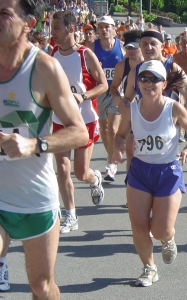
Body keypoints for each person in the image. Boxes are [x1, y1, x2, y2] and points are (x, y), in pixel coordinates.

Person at [0, 0, 88, 296]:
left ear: (29, 24)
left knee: (42, 286)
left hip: (33, 198)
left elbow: (78, 133)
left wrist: (33, 144)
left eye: (4, 13)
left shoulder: (43, 68)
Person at [113, 60, 187, 286]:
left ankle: (168, 238)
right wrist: (117, 149)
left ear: (164, 84)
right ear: (137, 82)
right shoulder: (131, 109)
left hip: (168, 171)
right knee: (139, 226)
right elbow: (121, 134)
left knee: (160, 230)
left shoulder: (173, 107)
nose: (148, 83)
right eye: (143, 78)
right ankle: (149, 268)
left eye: (154, 79)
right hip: (140, 171)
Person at [50, 10, 108, 233]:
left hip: (84, 119)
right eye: (52, 27)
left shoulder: (85, 55)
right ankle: (70, 215)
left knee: (80, 173)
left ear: (71, 29)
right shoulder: (52, 54)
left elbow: (103, 85)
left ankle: (94, 180)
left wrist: (82, 96)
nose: (52, 32)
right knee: (62, 169)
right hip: (59, 119)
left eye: (56, 28)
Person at [122, 30, 187, 118]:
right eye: (144, 44)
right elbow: (127, 99)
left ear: (162, 46)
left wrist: (178, 118)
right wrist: (123, 104)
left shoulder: (172, 68)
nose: (149, 47)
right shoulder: (135, 71)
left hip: (169, 127)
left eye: (153, 43)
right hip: (144, 126)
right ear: (140, 47)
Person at [89, 15, 125, 182]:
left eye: (107, 27)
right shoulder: (91, 47)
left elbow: (130, 65)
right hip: (99, 92)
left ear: (113, 29)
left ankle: (111, 164)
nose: (103, 30)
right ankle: (111, 155)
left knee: (112, 128)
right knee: (103, 129)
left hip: (116, 91)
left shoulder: (121, 47)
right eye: (101, 27)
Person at [110, 30, 144, 172]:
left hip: (149, 113)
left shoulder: (150, 65)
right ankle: (131, 182)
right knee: (131, 152)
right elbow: (113, 87)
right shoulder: (121, 66)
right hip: (131, 114)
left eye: (134, 47)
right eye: (128, 47)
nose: (131, 51)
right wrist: (117, 97)